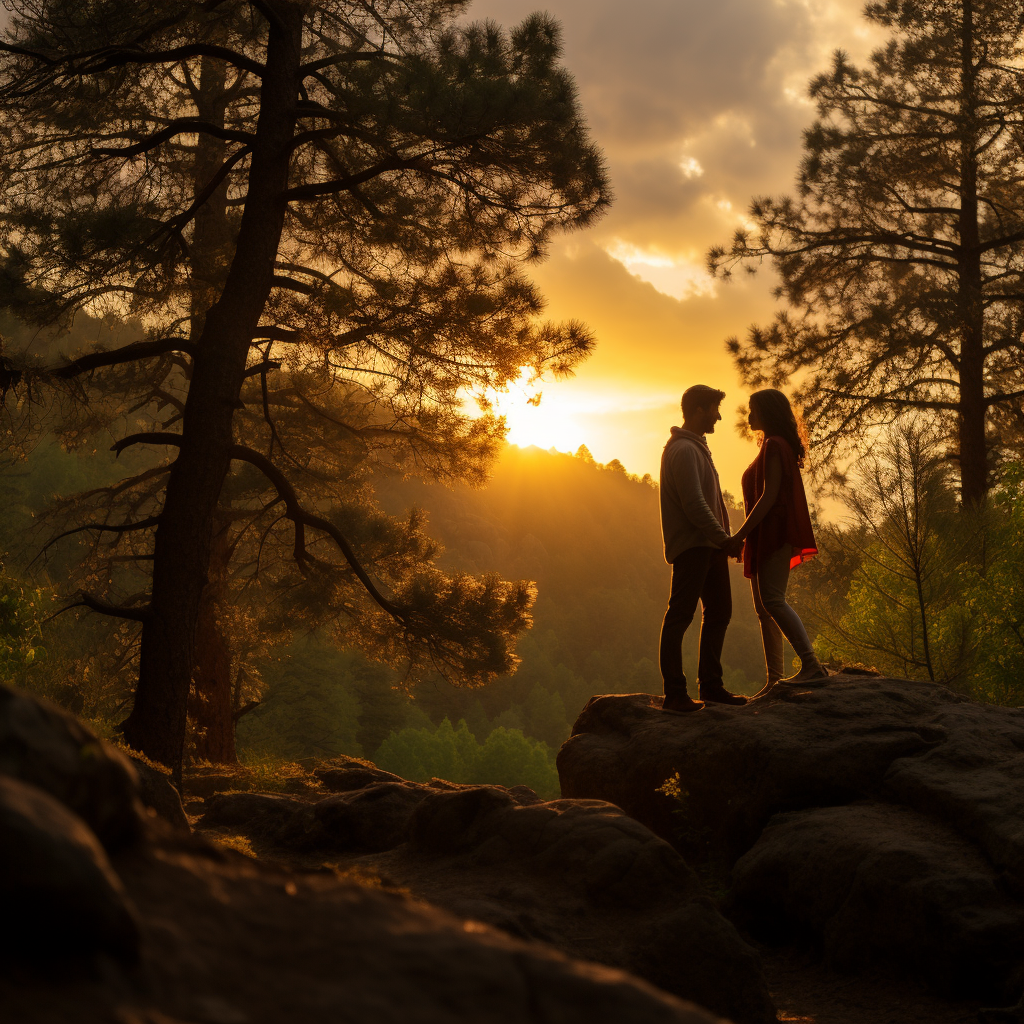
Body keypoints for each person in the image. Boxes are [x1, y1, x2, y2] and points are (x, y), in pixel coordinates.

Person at [658, 384, 746, 714]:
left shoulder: (695, 448)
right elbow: (695, 505)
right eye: (713, 409)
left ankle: (710, 685)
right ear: (698, 410)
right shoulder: (683, 450)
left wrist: (723, 540)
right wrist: (725, 538)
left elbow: (705, 502)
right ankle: (675, 694)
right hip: (695, 546)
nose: (718, 416)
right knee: (680, 616)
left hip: (709, 546)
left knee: (719, 612)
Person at [731, 388, 826, 691]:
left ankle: (811, 664)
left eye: (753, 410)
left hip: (773, 534)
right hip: (764, 535)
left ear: (767, 412)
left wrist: (740, 535)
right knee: (764, 609)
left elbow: (769, 497)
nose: (749, 416)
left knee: (773, 600)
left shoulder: (774, 445)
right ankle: (775, 681)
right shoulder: (772, 444)